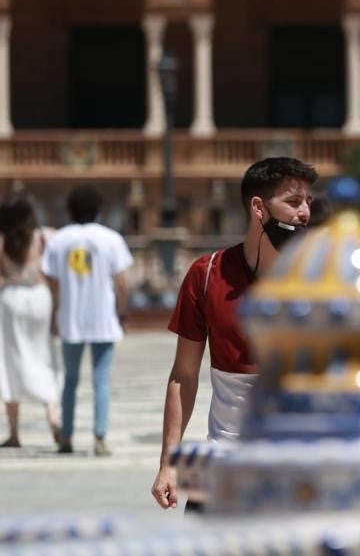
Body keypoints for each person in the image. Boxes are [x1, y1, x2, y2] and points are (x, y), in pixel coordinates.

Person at [151, 157, 317, 511]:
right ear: (258, 208)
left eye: (308, 203)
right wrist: (169, 462)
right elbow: (183, 374)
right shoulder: (207, 273)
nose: (304, 213)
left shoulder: (320, 281)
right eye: (292, 202)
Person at [42, 186, 134, 456]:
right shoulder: (110, 238)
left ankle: (67, 437)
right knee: (101, 380)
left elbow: (53, 281)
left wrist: (56, 312)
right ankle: (100, 436)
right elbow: (122, 283)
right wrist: (122, 311)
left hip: (71, 318)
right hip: (103, 318)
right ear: (98, 210)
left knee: (70, 380)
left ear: (69, 210)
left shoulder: (60, 239)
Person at [0, 192, 61, 449]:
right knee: (43, 356)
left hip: (11, 299)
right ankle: (52, 414)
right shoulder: (44, 237)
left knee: (9, 362)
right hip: (40, 298)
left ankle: (14, 433)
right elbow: (55, 275)